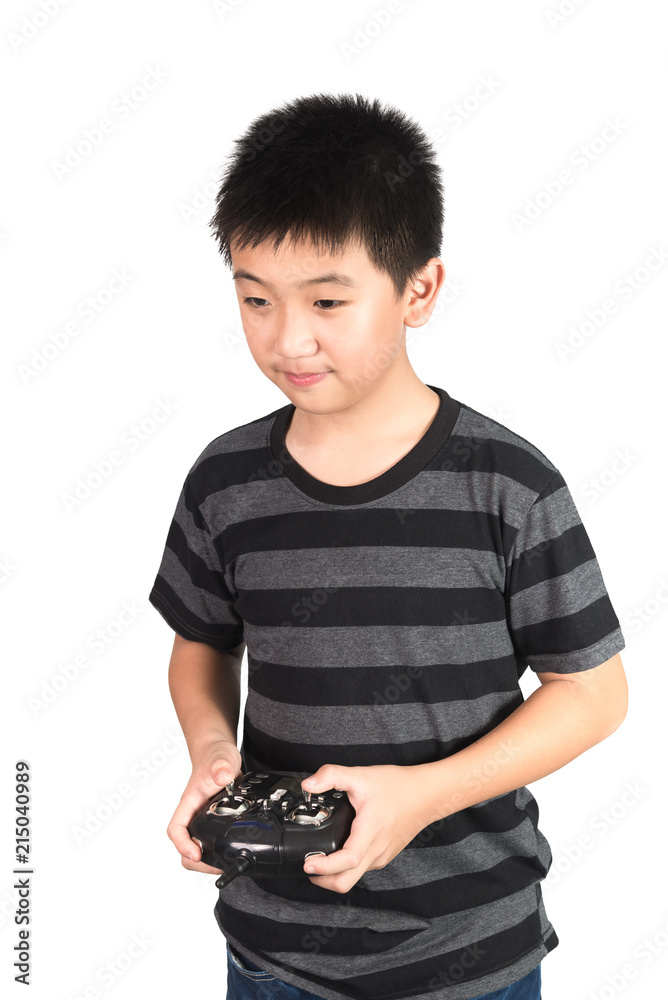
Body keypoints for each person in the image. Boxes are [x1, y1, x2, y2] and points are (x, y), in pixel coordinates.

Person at [148, 93, 628, 1000]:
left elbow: (594, 693)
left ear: (420, 290)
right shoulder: (225, 481)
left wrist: (424, 795)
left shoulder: (509, 485)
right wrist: (213, 754)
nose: (288, 338)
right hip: (272, 953)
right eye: (255, 299)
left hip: (472, 956)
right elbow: (202, 644)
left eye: (328, 300)